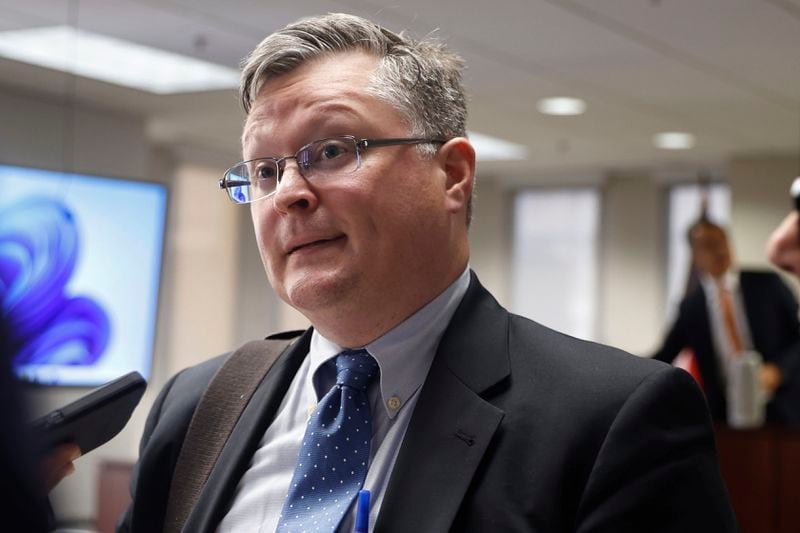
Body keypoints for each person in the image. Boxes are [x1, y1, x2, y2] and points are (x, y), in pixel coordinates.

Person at [119, 13, 736, 532]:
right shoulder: (198, 404)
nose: (288, 195)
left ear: (453, 175)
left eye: (332, 151)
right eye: (264, 172)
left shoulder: (612, 419)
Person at [654, 217, 800, 424]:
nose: (719, 250)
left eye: (722, 241)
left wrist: (779, 370)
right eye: (709, 245)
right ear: (695, 254)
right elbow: (664, 356)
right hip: (726, 418)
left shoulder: (768, 285)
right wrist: (622, 367)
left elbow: (797, 339)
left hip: (784, 410)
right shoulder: (691, 308)